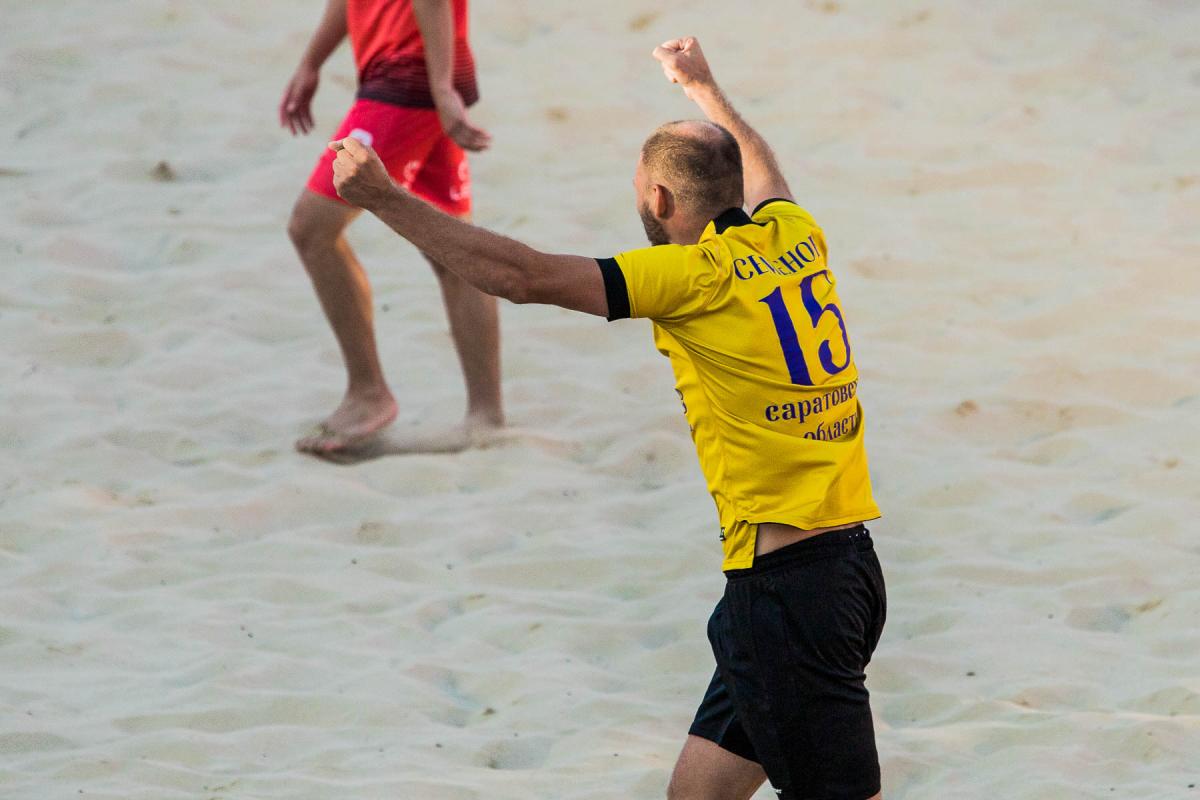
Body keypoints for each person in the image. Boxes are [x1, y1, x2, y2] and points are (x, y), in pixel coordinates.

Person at [330, 36, 887, 800]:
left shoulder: (688, 277)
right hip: (844, 572)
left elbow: (522, 277)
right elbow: (766, 169)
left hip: (790, 598)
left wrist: (385, 198)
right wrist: (705, 89)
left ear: (659, 201)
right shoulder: (795, 236)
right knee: (696, 794)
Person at [280, 0, 503, 455]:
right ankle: (487, 417)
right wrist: (311, 62)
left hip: (409, 79)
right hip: (416, 74)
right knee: (452, 250)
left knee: (311, 227)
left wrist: (441, 87)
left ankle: (369, 393)